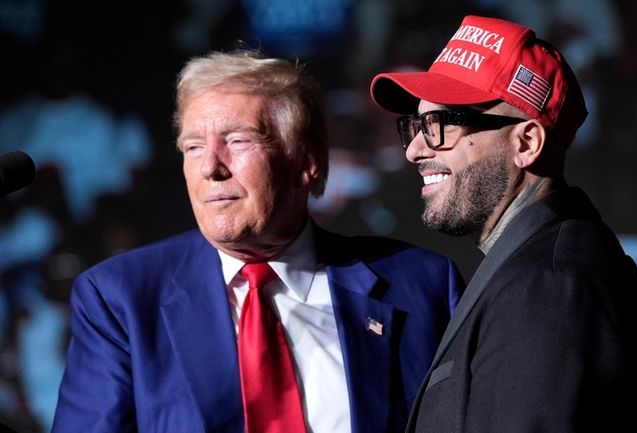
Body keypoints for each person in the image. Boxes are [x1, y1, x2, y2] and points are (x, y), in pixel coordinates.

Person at [50, 51, 463, 433]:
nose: (210, 167)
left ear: (307, 163)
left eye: (238, 140)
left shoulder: (422, 285)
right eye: (193, 146)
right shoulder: (121, 299)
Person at [370, 15, 637, 433]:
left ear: (526, 143)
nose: (415, 149)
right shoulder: (556, 270)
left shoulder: (547, 287)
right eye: (415, 126)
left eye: (439, 126)